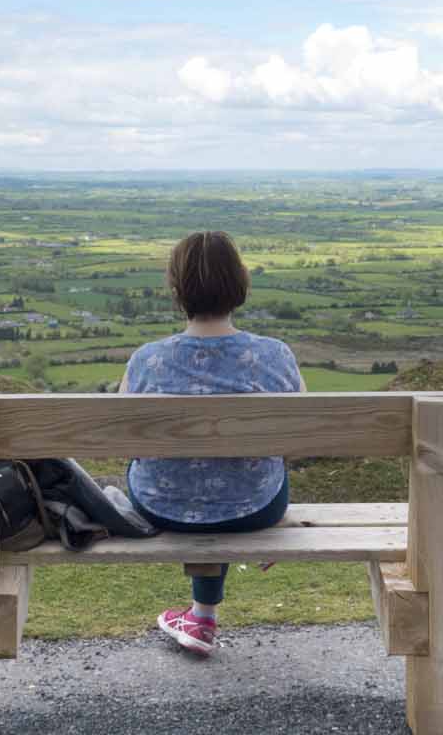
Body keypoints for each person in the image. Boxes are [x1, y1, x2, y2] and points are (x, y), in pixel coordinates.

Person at [121, 230, 304, 657]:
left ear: (176, 290)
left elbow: (126, 436)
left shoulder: (146, 359)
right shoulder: (276, 354)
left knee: (186, 477)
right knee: (240, 477)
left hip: (160, 506)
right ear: (240, 283)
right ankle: (201, 616)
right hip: (258, 507)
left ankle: (201, 617)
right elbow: (294, 439)